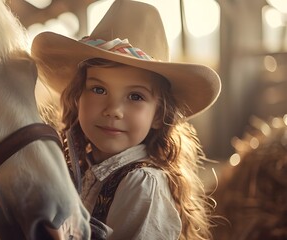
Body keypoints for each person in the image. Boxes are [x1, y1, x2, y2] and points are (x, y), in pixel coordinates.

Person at [31, 1, 221, 239]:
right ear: (77, 97)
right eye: (99, 90)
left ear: (159, 116)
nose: (113, 110)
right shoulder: (78, 167)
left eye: (135, 96)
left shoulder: (142, 184)